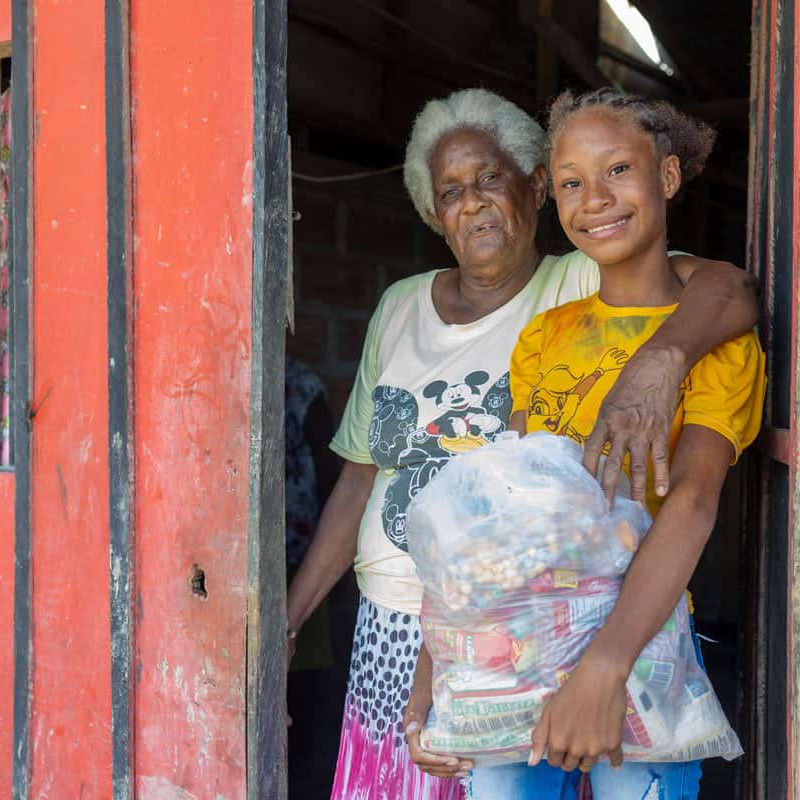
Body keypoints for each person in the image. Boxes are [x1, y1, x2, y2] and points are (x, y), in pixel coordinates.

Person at [286, 87, 760, 800]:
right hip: (505, 647)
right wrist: (434, 673)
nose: (594, 198)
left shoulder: (698, 331)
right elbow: (500, 519)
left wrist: (603, 668)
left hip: (636, 647)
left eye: (618, 173)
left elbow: (692, 501)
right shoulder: (546, 336)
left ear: (667, 176)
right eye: (575, 182)